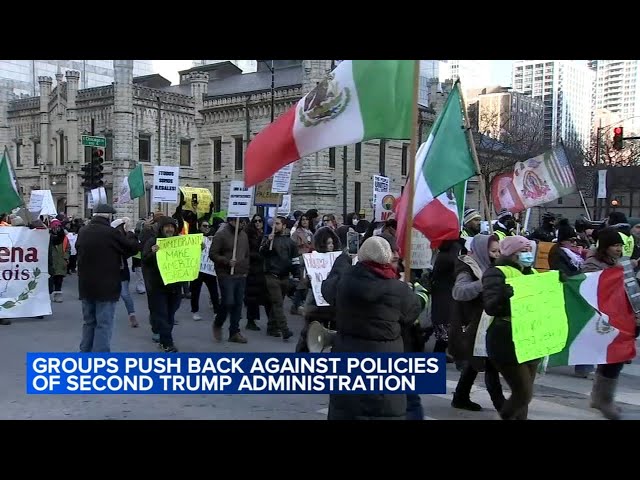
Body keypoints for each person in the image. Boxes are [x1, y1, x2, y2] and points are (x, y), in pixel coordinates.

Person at [321, 236, 424, 420]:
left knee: (348, 410)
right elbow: (413, 312)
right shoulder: (398, 289)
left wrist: (342, 260)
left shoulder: (345, 282)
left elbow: (327, 289)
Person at [581, 227, 638, 420]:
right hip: (602, 319)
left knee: (613, 359)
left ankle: (599, 397)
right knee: (612, 358)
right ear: (605, 247)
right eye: (615, 245)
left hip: (619, 316)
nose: (618, 249)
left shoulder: (616, 262)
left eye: (620, 246)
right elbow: (590, 289)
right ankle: (603, 399)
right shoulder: (592, 264)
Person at [482, 235, 539, 420]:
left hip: (531, 337)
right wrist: (503, 297)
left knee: (525, 396)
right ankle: (506, 416)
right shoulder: (496, 272)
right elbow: (491, 307)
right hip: (506, 339)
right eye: (523, 251)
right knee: (523, 392)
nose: (528, 255)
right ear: (512, 254)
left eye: (529, 250)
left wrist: (559, 281)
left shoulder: (533, 274)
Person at [449, 234, 505, 412]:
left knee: (477, 362)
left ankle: (460, 396)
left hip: (485, 321)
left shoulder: (493, 265)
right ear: (482, 251)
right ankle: (502, 405)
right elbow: (459, 292)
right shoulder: (468, 267)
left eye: (499, 251)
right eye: (493, 251)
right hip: (472, 322)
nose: (497, 254)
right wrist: (483, 283)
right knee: (488, 363)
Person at [76, 204, 139, 352]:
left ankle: (84, 352)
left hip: (85, 285)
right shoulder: (110, 233)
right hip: (106, 286)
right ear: (109, 216)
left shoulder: (83, 231)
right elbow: (131, 248)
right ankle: (100, 356)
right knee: (104, 323)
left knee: (89, 322)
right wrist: (129, 232)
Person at [295, 227, 341, 352]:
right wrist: (308, 278)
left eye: (332, 243)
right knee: (309, 336)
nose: (330, 246)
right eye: (327, 243)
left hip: (332, 306)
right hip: (316, 304)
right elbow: (304, 281)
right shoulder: (312, 258)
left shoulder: (339, 260)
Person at [142, 216, 184, 352]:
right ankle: (167, 343)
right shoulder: (152, 242)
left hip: (175, 286)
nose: (170, 229)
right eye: (167, 227)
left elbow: (188, 257)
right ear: (161, 228)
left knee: (170, 315)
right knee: (162, 315)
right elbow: (145, 260)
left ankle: (164, 338)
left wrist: (197, 249)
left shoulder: (179, 242)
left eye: (172, 227)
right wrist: (153, 252)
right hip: (157, 286)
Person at [210, 217, 251, 344]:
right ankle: (218, 322)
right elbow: (212, 254)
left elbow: (246, 254)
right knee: (228, 301)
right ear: (232, 221)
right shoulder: (221, 235)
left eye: (244, 222)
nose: (242, 224)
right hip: (226, 273)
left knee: (238, 303)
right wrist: (226, 261)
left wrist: (245, 269)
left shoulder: (243, 235)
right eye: (240, 222)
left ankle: (234, 332)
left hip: (240, 274)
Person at [260, 215, 299, 340]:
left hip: (285, 276)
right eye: (274, 224)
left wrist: (297, 274)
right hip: (272, 275)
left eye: (277, 224)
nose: (275, 226)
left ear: (284, 226)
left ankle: (271, 327)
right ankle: (284, 329)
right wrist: (267, 243)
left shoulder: (290, 242)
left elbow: (295, 260)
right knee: (277, 303)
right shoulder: (268, 239)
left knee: (277, 302)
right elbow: (262, 252)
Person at [111, 218, 140, 328]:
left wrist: (130, 235)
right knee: (111, 296)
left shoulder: (126, 238)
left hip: (122, 271)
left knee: (125, 294)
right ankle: (109, 316)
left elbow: (133, 248)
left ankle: (132, 315)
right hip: (110, 272)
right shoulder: (110, 239)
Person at [190, 219, 221, 321]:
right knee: (195, 291)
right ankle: (195, 311)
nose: (207, 228)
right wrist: (197, 247)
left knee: (214, 291)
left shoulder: (213, 237)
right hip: (198, 269)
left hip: (209, 269)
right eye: (204, 226)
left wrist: (214, 241)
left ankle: (216, 311)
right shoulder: (194, 237)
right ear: (200, 226)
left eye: (208, 226)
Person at [243, 214, 270, 331]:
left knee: (264, 296)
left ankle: (269, 321)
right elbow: (247, 252)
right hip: (252, 269)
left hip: (262, 270)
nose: (258, 223)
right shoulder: (249, 235)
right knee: (252, 297)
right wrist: (258, 255)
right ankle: (250, 320)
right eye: (255, 221)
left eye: (260, 221)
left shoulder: (264, 235)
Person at [48, 219, 70, 303]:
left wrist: (66, 257)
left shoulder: (64, 238)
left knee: (59, 280)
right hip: (51, 261)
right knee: (50, 279)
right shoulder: (48, 237)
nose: (56, 228)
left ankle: (58, 295)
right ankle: (50, 294)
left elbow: (68, 248)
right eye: (55, 226)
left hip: (60, 261)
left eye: (58, 227)